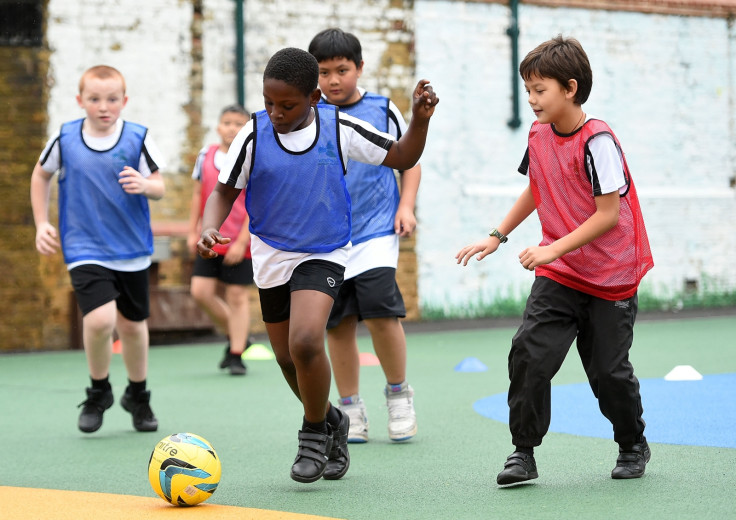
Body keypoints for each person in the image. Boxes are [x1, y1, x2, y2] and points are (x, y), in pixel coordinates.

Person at [197, 47, 438, 483]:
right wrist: (209, 227)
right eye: (269, 103)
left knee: (307, 340)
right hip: (271, 254)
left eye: (286, 105)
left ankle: (313, 435)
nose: (275, 113)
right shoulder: (252, 133)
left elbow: (402, 156)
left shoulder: (339, 126)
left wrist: (420, 120)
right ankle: (333, 420)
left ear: (313, 98)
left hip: (324, 250)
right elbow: (222, 192)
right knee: (289, 359)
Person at [456, 35, 654, 485]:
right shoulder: (539, 134)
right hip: (561, 274)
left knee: (608, 372)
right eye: (527, 90)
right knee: (528, 352)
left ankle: (632, 442)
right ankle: (523, 453)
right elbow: (537, 186)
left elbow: (608, 215)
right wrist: (497, 235)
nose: (531, 100)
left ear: (569, 87)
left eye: (539, 90)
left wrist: (551, 248)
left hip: (610, 276)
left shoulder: (598, 140)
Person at [30, 65, 166, 434]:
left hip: (131, 248)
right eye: (94, 99)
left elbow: (159, 185)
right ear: (80, 101)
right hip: (84, 245)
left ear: (124, 101)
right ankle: (98, 390)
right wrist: (42, 222)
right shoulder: (66, 138)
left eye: (111, 99)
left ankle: (137, 395)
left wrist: (145, 185)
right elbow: (40, 175)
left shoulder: (137, 138)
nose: (103, 106)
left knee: (133, 327)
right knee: (101, 320)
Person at [308, 28, 419, 443]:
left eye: (342, 70)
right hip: (328, 239)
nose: (333, 80)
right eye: (324, 72)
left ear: (360, 68)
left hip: (375, 231)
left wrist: (405, 206)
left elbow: (411, 160)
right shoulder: (309, 113)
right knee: (338, 325)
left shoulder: (381, 109)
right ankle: (350, 406)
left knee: (380, 313)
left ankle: (398, 393)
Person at [187, 104, 253, 376]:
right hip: (209, 239)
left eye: (239, 124)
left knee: (237, 296)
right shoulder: (205, 156)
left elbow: (254, 202)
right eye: (227, 122)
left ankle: (237, 353)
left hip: (239, 241)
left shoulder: (252, 157)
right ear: (218, 127)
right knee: (200, 292)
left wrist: (241, 241)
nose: (232, 128)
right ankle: (239, 336)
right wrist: (193, 230)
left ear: (247, 129)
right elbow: (196, 195)